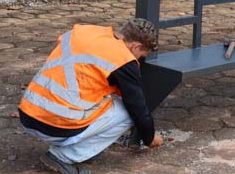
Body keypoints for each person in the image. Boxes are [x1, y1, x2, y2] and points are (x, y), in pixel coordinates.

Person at [19, 19, 163, 174]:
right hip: (53, 126)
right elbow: (137, 108)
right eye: (141, 55)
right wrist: (149, 137)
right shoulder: (123, 60)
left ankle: (77, 146)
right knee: (127, 112)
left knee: (107, 96)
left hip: (28, 114)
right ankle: (62, 156)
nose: (139, 60)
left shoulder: (85, 31)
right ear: (136, 46)